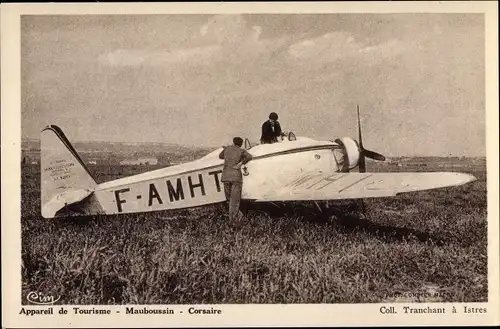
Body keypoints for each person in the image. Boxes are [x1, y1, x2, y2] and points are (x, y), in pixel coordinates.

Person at [219, 137, 253, 222]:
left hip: (226, 177)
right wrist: (241, 163)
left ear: (233, 142)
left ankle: (237, 217)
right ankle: (234, 221)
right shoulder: (241, 150)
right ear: (241, 144)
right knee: (235, 200)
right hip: (236, 178)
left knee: (229, 199)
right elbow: (249, 157)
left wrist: (227, 150)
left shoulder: (227, 149)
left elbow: (220, 156)